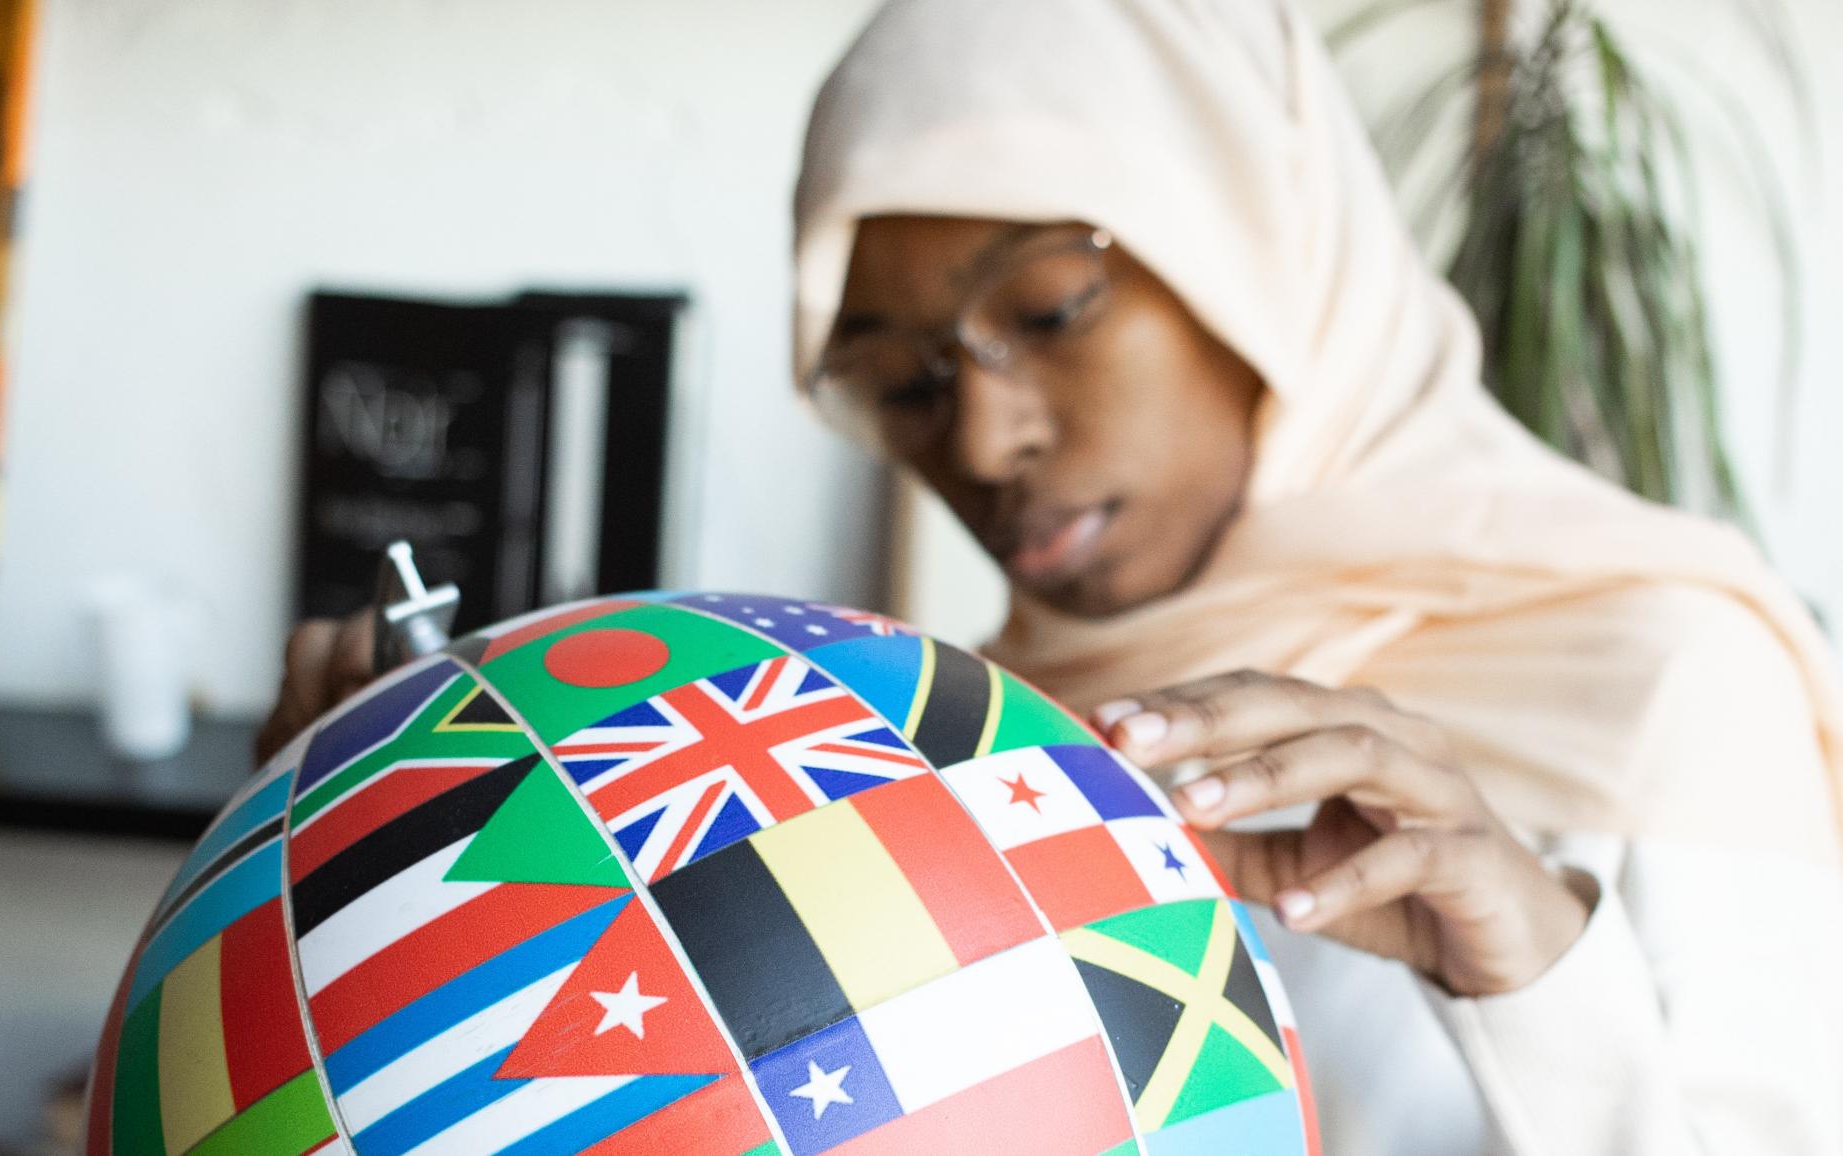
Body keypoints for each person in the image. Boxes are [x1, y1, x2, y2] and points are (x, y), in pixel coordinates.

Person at [258, 1, 1843, 1152]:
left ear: (1258, 251)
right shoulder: (944, 731)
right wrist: (348, 874)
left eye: (1052, 307)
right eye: (903, 378)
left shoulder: (1666, 672)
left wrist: (1537, 976)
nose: (986, 438)